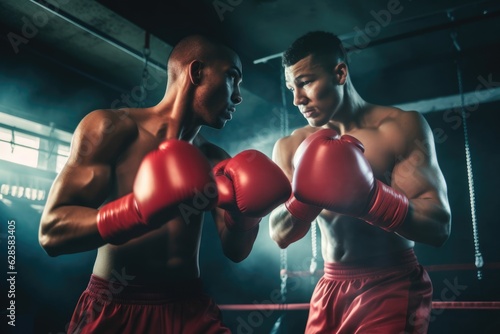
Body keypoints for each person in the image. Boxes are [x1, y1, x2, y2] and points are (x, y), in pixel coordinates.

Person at [39, 34, 291, 334]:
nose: (238, 96)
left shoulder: (215, 160)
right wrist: (136, 210)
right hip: (114, 308)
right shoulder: (112, 128)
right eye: (231, 78)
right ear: (196, 72)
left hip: (190, 311)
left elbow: (235, 251)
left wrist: (246, 215)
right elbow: (52, 233)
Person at [269, 31, 452, 334]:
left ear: (339, 72)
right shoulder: (290, 146)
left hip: (391, 283)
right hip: (329, 288)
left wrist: (371, 199)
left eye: (305, 83)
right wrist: (304, 199)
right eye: (291, 87)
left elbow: (438, 228)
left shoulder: (399, 127)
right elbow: (279, 234)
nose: (297, 99)